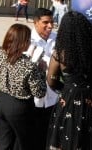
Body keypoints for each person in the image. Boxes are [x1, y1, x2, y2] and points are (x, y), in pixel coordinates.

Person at [46, 11, 92, 150]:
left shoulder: (60, 53)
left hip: (69, 99)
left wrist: (66, 87)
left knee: (66, 138)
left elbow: (51, 80)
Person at [0, 23, 47, 150]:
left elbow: (10, 65)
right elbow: (39, 92)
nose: (29, 43)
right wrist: (41, 71)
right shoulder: (29, 66)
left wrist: (27, 58)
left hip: (0, 100)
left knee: (3, 144)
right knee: (24, 143)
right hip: (19, 106)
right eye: (28, 40)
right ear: (21, 42)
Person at [28, 8, 58, 137]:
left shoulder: (57, 39)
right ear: (35, 22)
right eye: (46, 22)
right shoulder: (27, 40)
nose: (50, 26)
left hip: (52, 99)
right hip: (32, 99)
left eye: (52, 22)